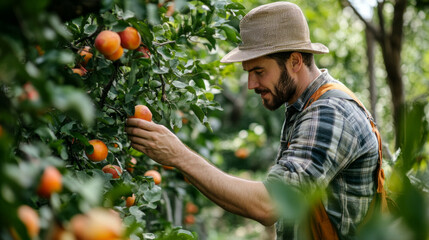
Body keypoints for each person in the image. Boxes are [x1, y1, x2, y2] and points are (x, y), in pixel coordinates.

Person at [126, 2, 383, 239]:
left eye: (259, 71)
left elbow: (269, 205)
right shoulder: (304, 107)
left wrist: (179, 155)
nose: (251, 84)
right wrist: (179, 161)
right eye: (249, 73)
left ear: (295, 61)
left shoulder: (329, 113)